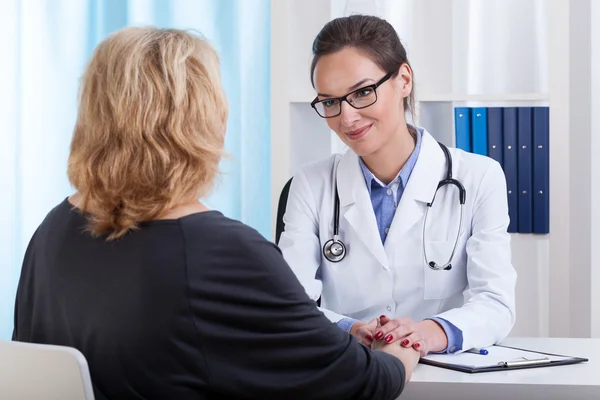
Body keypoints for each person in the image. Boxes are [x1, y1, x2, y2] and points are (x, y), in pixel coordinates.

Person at [11, 27, 419, 400]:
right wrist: (400, 349)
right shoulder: (222, 253)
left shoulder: (53, 231)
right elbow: (362, 384)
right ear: (207, 121)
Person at [278, 15, 517, 356]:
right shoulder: (311, 184)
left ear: (403, 80)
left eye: (362, 92)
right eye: (330, 101)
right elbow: (289, 305)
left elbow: (496, 303)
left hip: (442, 376)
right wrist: (350, 329)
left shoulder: (479, 177)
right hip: (349, 369)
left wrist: (425, 333)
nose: (347, 118)